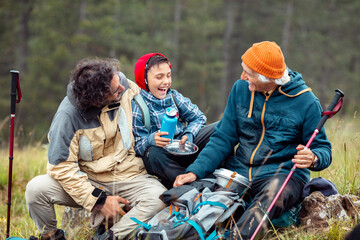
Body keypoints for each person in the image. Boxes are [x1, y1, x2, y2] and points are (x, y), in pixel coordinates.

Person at [174, 41, 332, 239]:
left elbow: (323, 149)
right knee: (194, 193)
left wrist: (313, 158)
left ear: (269, 78)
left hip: (281, 175)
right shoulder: (240, 89)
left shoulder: (307, 102)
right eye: (243, 70)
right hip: (238, 171)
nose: (242, 77)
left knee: (273, 195)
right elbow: (223, 137)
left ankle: (235, 237)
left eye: (249, 73)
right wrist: (195, 170)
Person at [25, 58, 167, 240]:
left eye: (119, 82)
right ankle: (50, 236)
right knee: (35, 189)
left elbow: (149, 96)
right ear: (97, 98)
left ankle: (109, 237)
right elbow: (60, 167)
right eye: (116, 90)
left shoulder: (120, 82)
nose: (123, 89)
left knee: (159, 198)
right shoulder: (67, 117)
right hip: (89, 179)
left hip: (128, 174)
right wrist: (98, 201)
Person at [132, 53, 216, 188]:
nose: (166, 81)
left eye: (168, 75)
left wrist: (189, 134)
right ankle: (190, 183)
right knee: (152, 155)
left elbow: (199, 117)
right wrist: (151, 140)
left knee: (219, 128)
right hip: (164, 157)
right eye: (159, 77)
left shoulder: (174, 97)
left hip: (183, 146)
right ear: (145, 80)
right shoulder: (138, 107)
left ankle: (217, 171)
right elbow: (136, 146)